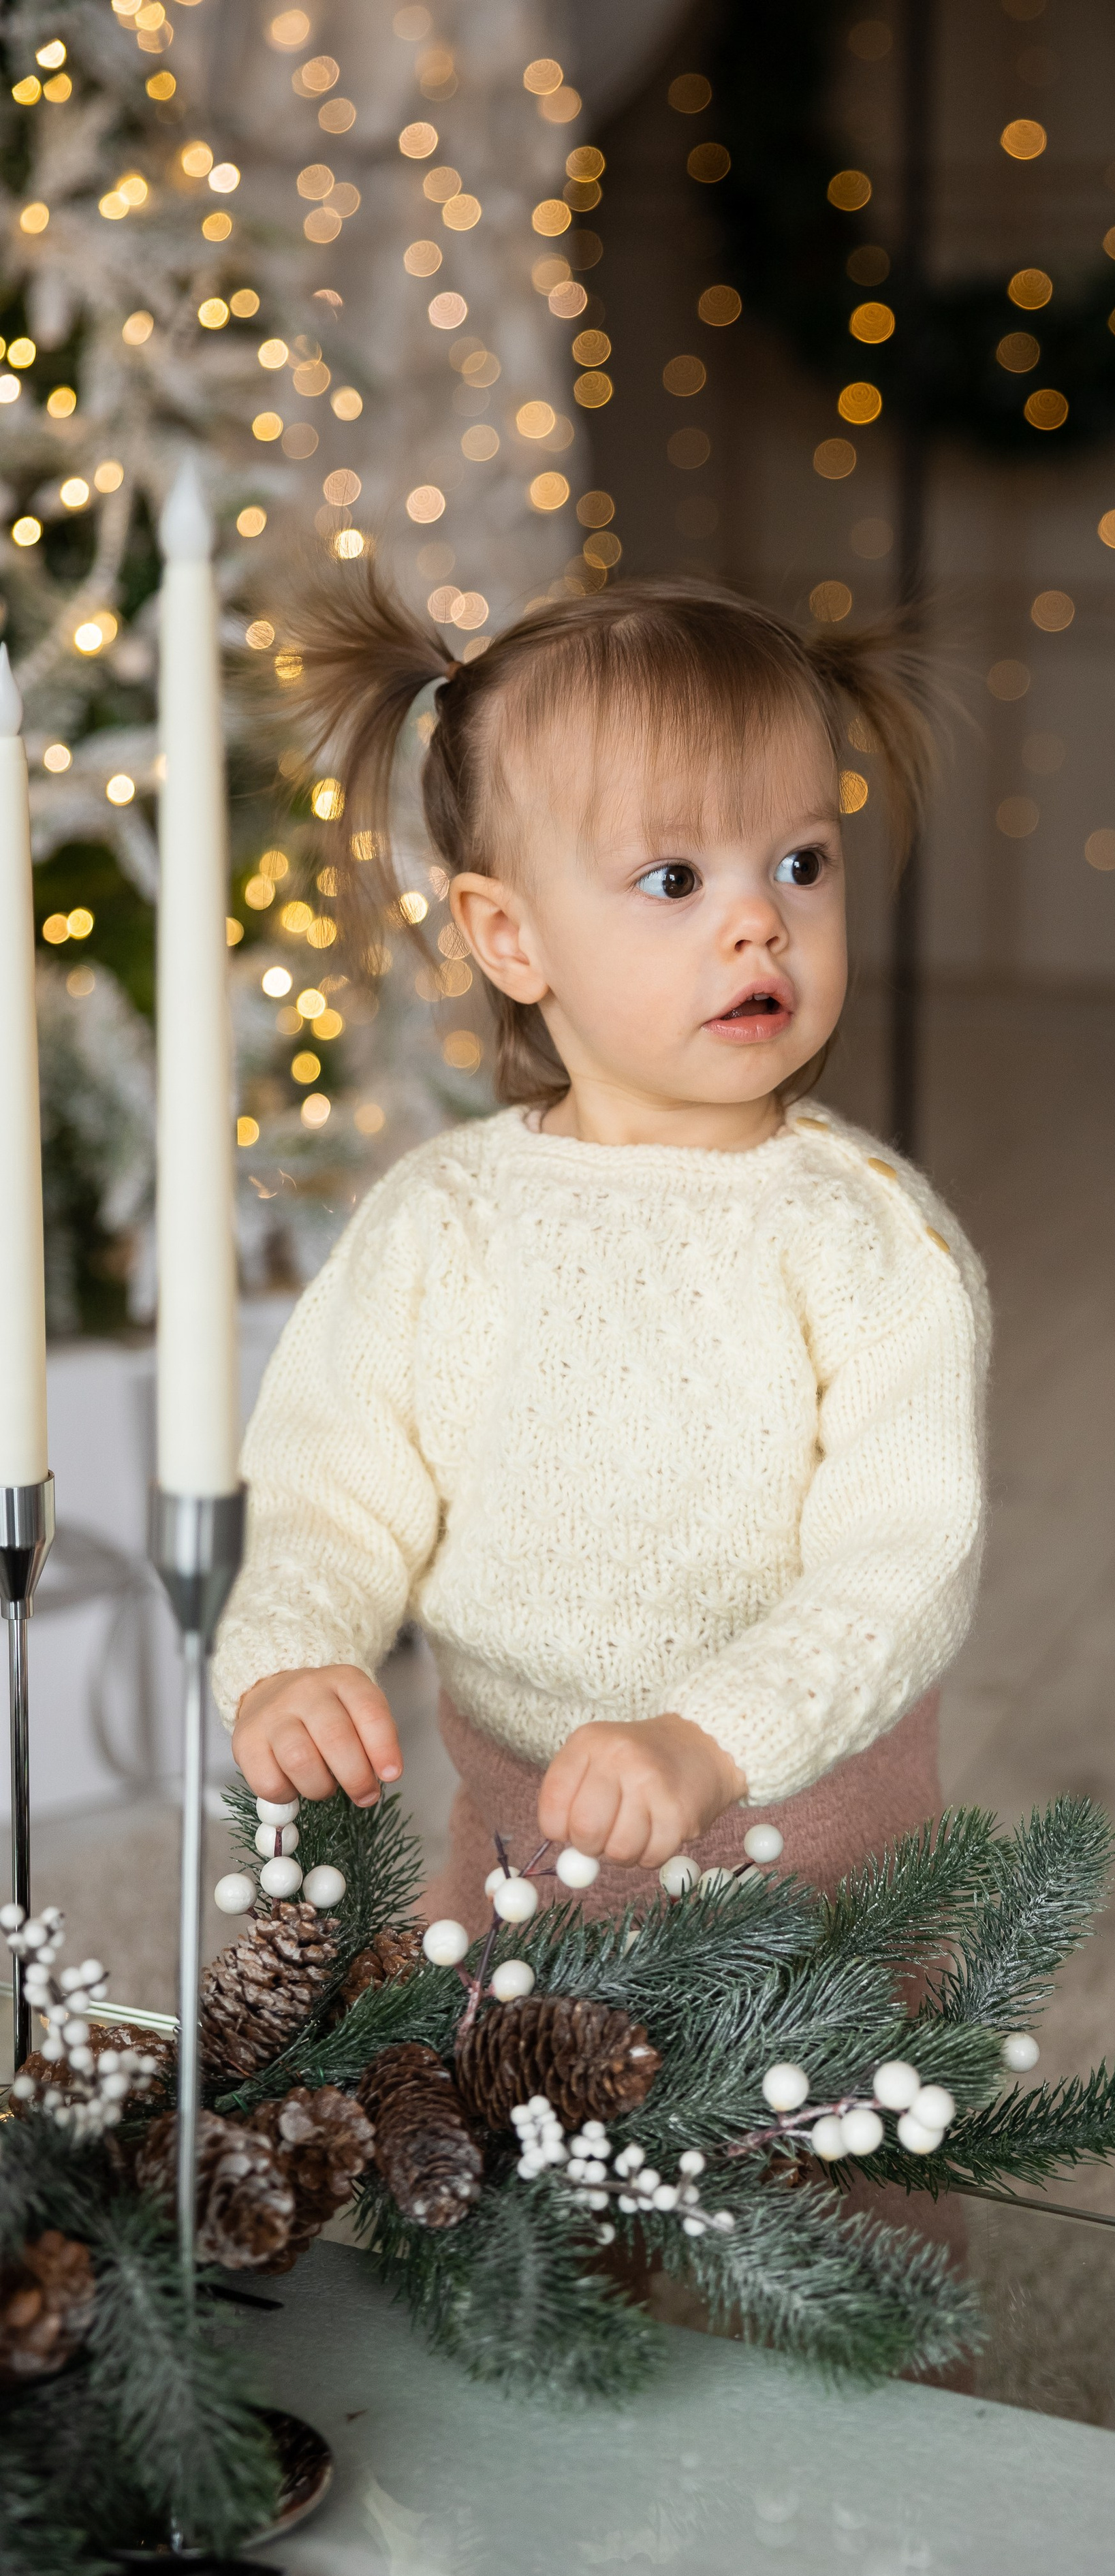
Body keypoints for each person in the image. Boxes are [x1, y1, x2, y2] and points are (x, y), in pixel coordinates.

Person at [213, 570, 989, 1934]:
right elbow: (332, 1494)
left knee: (796, 2084)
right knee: (477, 2063)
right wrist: (295, 1654)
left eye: (801, 864)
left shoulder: (865, 1239)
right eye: (674, 878)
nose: (760, 921)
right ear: (509, 936)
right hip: (518, 1854)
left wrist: (711, 1739)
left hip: (805, 1872)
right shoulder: (442, 1222)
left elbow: (902, 1553)